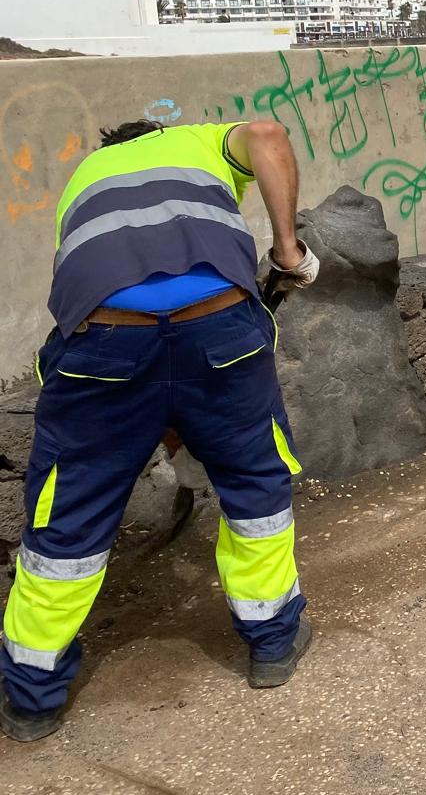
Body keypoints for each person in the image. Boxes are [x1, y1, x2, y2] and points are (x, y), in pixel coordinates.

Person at [0, 118, 320, 743]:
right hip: (220, 329)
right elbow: (267, 133)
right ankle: (273, 644)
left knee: (70, 509)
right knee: (255, 484)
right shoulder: (200, 143)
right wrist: (288, 252)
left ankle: (32, 696)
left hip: (104, 342)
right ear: (164, 132)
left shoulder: (82, 184)